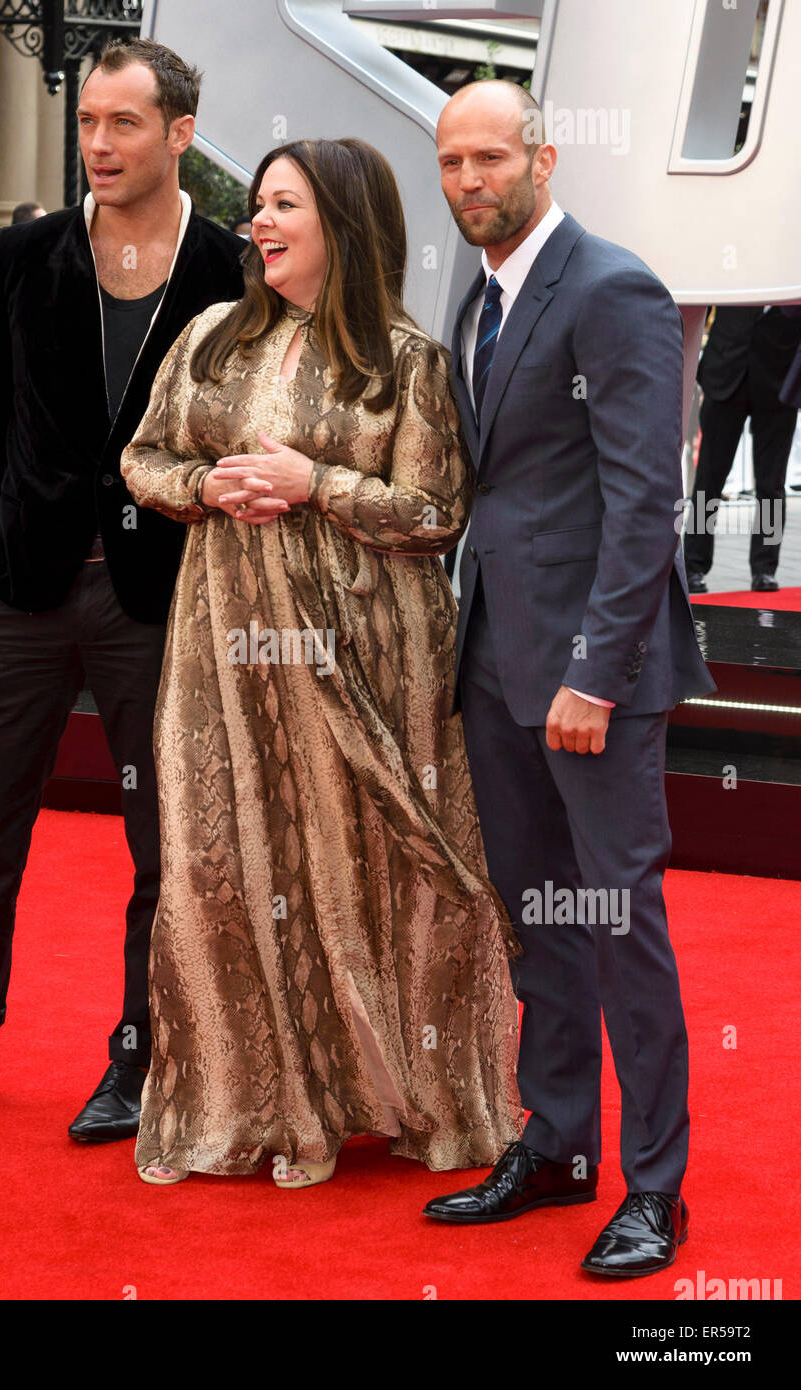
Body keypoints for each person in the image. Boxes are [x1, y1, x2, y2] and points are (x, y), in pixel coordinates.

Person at [0, 39, 245, 1138]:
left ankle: (138, 1056)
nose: (98, 145)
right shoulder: (27, 255)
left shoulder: (224, 268)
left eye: (123, 124)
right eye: (87, 124)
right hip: (21, 595)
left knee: (162, 843)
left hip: (153, 600)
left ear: (178, 133)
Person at [121, 136, 523, 1188]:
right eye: (255, 205)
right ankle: (259, 1099)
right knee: (224, 859)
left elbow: (437, 513)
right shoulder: (209, 335)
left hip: (365, 654)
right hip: (223, 645)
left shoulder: (404, 359)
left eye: (281, 205)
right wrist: (206, 487)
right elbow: (142, 456)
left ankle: (415, 1097)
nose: (256, 223)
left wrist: (317, 483)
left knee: (378, 868)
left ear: (341, 225)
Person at [422, 80, 715, 1276]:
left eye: (488, 158)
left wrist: (593, 673)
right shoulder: (475, 297)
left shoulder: (612, 287)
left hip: (592, 674)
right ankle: (554, 1142)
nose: (467, 182)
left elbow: (646, 501)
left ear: (541, 157)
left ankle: (655, 1184)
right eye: (449, 164)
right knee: (538, 916)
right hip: (493, 659)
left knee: (620, 923)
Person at [683, 306, 801, 594]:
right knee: (708, 482)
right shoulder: (732, 265)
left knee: (771, 486)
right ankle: (693, 566)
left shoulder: (790, 273)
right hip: (724, 377)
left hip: (778, 386)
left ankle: (764, 568)